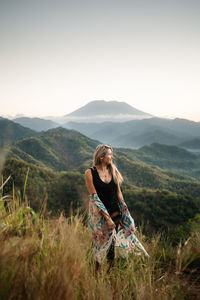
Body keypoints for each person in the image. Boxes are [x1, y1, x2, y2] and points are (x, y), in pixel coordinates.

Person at [85, 144, 149, 272]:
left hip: (115, 213)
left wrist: (126, 213)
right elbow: (95, 198)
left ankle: (111, 274)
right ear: (102, 156)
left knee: (112, 248)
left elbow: (119, 193)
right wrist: (107, 218)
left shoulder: (112, 170)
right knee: (99, 246)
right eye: (109, 154)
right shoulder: (90, 173)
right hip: (100, 216)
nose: (112, 156)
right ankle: (95, 275)